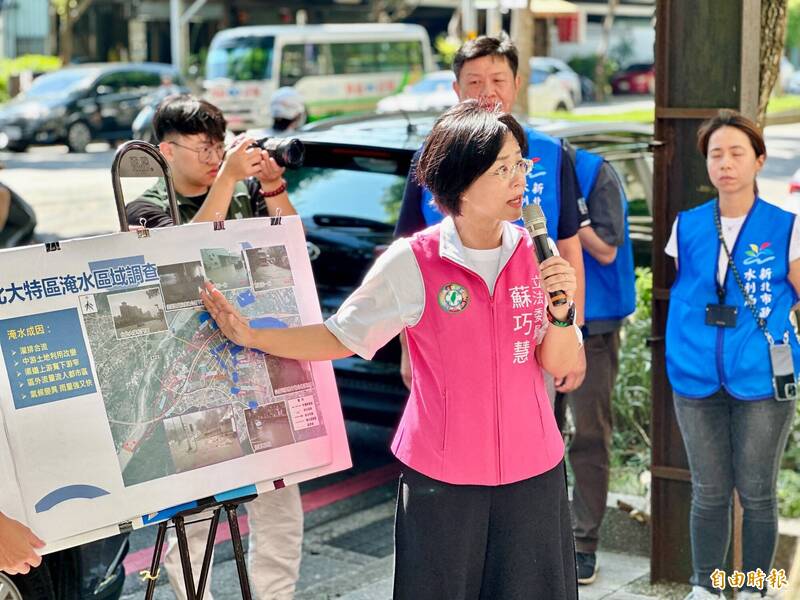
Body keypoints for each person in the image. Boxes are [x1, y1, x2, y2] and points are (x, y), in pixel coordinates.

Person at [201, 101, 582, 599]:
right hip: (442, 480)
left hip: (534, 472)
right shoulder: (414, 260)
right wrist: (254, 336)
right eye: (503, 169)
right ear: (460, 185)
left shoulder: (535, 252)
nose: (519, 181)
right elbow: (341, 335)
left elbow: (559, 363)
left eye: (520, 165)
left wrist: (561, 312)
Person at [126, 95, 303, 600]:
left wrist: (271, 185)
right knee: (196, 515)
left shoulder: (245, 189)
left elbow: (294, 243)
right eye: (203, 148)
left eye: (219, 146)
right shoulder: (145, 205)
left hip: (258, 368)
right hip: (190, 383)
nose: (213, 158)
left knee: (279, 505)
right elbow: (175, 266)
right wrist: (226, 179)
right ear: (166, 150)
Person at [394, 34, 588, 395]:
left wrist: (574, 337)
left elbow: (569, 248)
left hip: (533, 335)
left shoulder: (553, 152)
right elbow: (407, 257)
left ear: (517, 84)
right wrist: (407, 349)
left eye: (498, 80)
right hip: (448, 335)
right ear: (456, 88)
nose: (487, 92)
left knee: (531, 437)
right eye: (474, 81)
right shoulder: (431, 158)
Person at [665, 110, 799, 600]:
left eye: (737, 153)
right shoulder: (688, 225)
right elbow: (685, 291)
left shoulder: (785, 227)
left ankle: (753, 589)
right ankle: (705, 587)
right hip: (696, 377)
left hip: (763, 379)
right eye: (716, 154)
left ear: (759, 161)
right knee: (709, 492)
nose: (725, 163)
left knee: (758, 494)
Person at [554, 145, 636, 584]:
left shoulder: (593, 171)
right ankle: (547, 534)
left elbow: (606, 248)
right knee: (539, 435)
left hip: (596, 323)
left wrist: (567, 219)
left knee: (587, 432)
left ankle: (584, 542)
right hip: (537, 320)